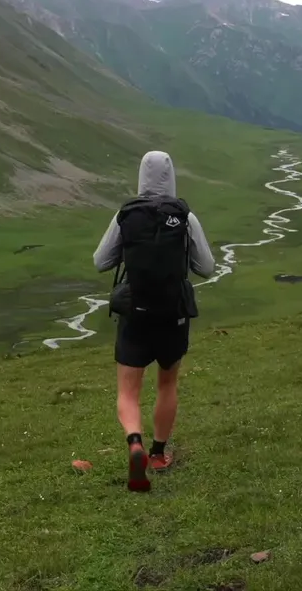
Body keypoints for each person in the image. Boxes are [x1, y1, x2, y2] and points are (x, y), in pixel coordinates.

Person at [93, 150, 215, 492]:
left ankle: (135, 444)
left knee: (128, 392)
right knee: (167, 384)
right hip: (173, 316)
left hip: (135, 314)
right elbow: (206, 268)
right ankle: (159, 454)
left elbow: (101, 262)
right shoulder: (185, 217)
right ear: (171, 176)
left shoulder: (126, 215)